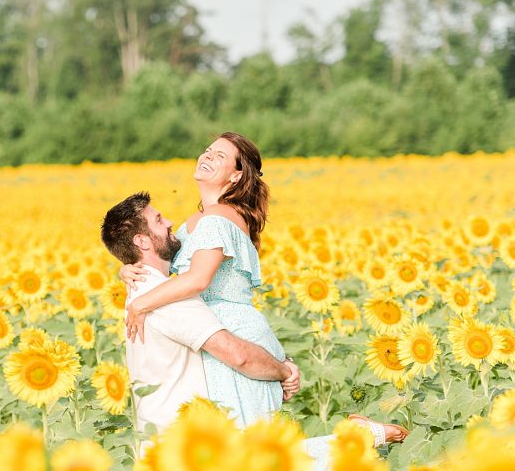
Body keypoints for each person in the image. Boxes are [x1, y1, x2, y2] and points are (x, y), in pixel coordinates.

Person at [116, 132, 408, 448]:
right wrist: (125, 268)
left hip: (234, 337)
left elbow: (198, 280)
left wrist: (140, 304)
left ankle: (363, 439)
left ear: (237, 174)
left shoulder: (219, 216)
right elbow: (161, 257)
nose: (208, 156)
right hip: (213, 340)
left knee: (253, 457)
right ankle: (359, 437)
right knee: (246, 457)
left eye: (220, 156)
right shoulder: (197, 219)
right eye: (208, 150)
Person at [100, 191, 300, 437]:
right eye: (159, 220)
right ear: (142, 241)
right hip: (181, 445)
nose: (171, 222)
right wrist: (284, 371)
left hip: (169, 441)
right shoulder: (164, 298)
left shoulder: (141, 288)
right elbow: (238, 356)